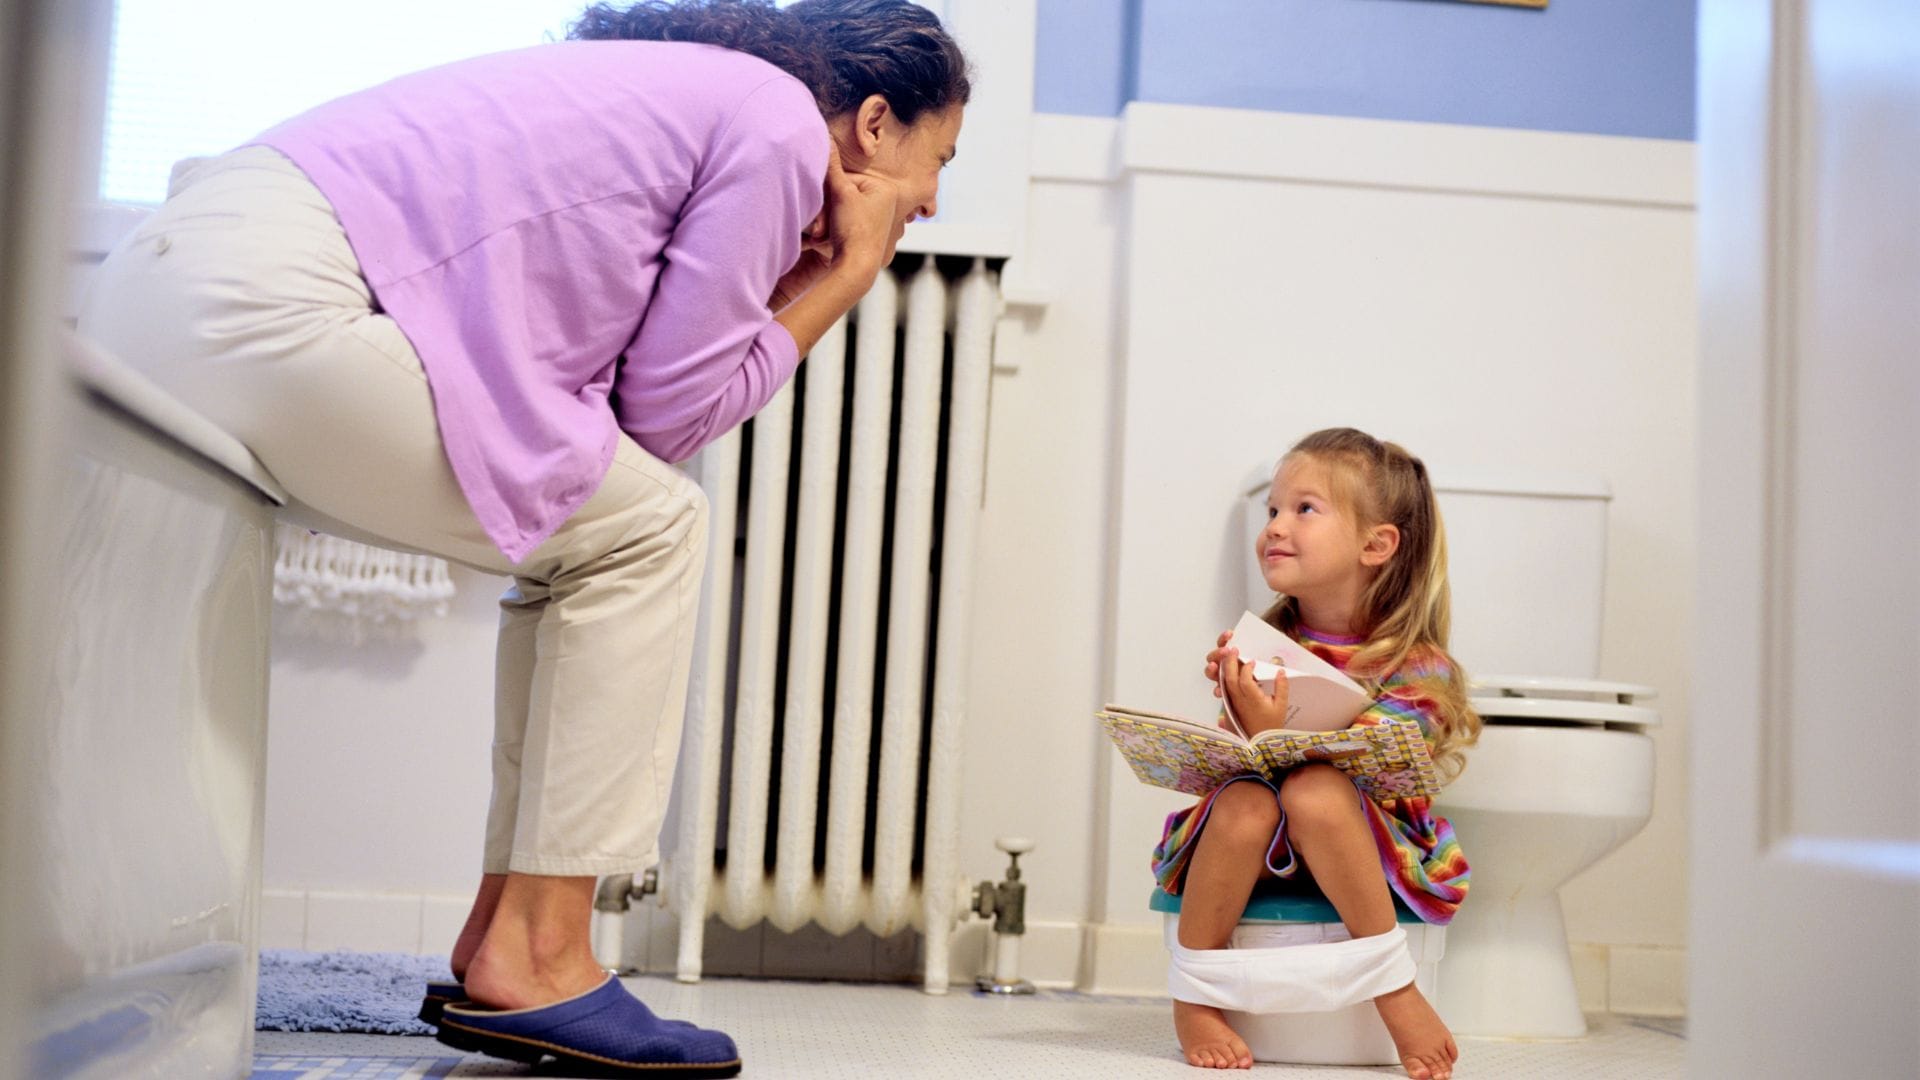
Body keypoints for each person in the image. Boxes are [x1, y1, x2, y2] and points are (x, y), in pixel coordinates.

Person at [75, 0, 968, 1073]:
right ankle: (540, 951)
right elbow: (669, 425)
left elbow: (636, 407)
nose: (930, 197)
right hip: (260, 304)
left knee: (593, 533)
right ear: (874, 123)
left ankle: (505, 935)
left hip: (164, 296)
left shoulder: (698, 97)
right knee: (652, 530)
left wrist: (790, 280)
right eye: (940, 157)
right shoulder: (779, 124)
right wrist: (847, 278)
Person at [1154, 427, 1477, 1078]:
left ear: (1376, 544)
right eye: (1272, 508)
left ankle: (1393, 985)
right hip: (1260, 843)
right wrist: (1247, 721)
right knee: (1244, 801)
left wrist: (1291, 737)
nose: (1275, 525)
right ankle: (1196, 994)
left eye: (1304, 509)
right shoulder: (1260, 643)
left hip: (1365, 845)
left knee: (1316, 789)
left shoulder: (1419, 666)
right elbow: (1241, 764)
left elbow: (1389, 769)